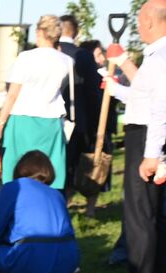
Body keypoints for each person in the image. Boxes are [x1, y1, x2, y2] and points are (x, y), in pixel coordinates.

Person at [102, 0, 166, 273]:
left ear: (151, 21)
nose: (138, 28)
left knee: (140, 213)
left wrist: (151, 155)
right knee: (153, 212)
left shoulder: (163, 56)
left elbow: (160, 109)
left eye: (140, 21)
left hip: (152, 137)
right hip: (163, 135)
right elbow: (146, 95)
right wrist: (115, 89)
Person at [0, 151, 80, 273]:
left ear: (20, 169)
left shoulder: (13, 188)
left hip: (30, 257)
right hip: (69, 262)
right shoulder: (57, 194)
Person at [0, 15, 75, 190]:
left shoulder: (25, 58)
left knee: (15, 166)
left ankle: (14, 203)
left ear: (39, 32)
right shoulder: (67, 61)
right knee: (50, 168)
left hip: (22, 118)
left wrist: (0, 124)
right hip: (50, 120)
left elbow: (12, 94)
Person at [58, 15, 101, 202]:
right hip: (77, 119)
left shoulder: (44, 52)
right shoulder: (83, 55)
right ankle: (66, 200)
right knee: (72, 164)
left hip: (48, 118)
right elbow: (93, 91)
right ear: (76, 32)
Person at [75, 39, 117, 217]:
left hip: (101, 131)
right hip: (88, 130)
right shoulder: (85, 81)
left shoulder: (103, 77)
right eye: (98, 54)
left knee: (99, 169)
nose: (102, 58)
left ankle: (90, 210)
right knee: (78, 169)